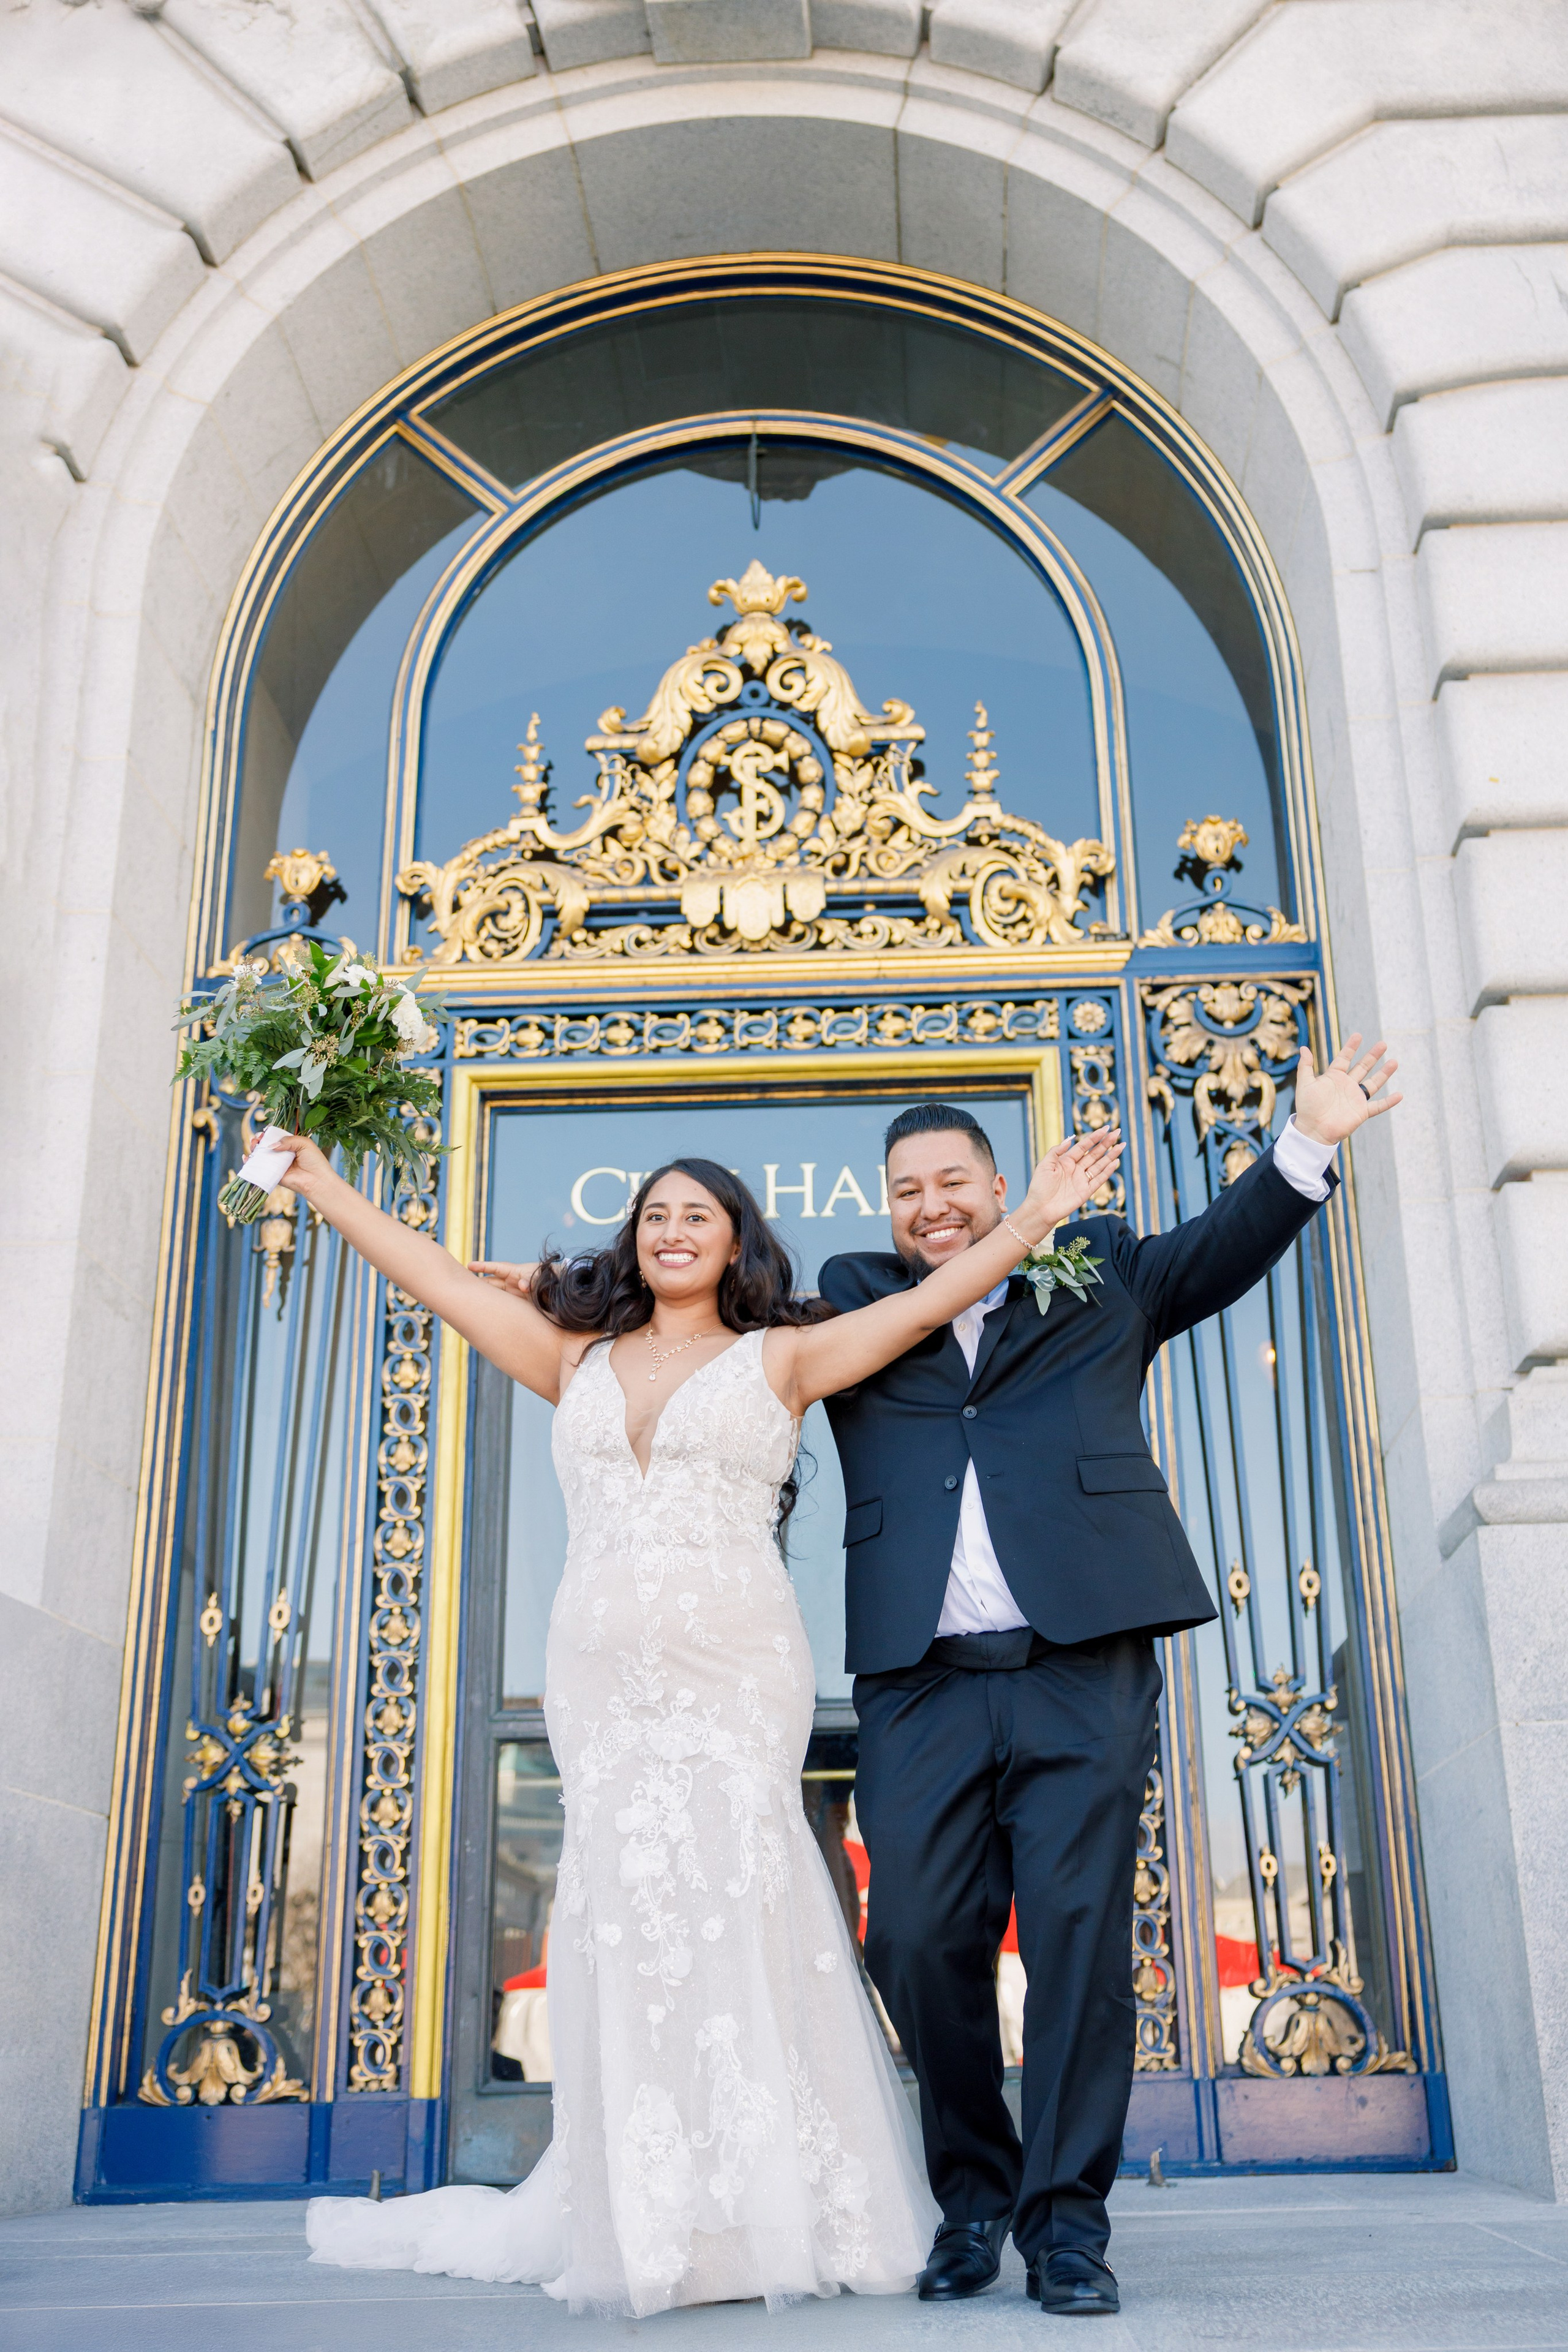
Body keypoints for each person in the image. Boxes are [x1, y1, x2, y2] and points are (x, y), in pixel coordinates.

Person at [282, 1121, 1124, 2316]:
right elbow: (425, 1273)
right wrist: (321, 1183)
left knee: (735, 1899)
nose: (671, 1231)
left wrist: (1030, 1218)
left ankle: (772, 2203)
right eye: (655, 1215)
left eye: (697, 1216)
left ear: (735, 1245)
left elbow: (931, 1299)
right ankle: (647, 2204)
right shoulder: (568, 1360)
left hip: (733, 1671)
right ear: (635, 1241)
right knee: (625, 1915)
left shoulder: (781, 1359)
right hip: (600, 1679)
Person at [815, 1032, 1401, 2317]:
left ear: (993, 1179)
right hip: (916, 1678)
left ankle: (1063, 2226)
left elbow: (1221, 1248)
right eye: (906, 1188)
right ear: (885, 1206)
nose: (930, 1206)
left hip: (1080, 1663)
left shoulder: (1100, 1273)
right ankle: (970, 2199)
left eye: (953, 1182)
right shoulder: (854, 1294)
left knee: (1077, 1940)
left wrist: (1304, 1141)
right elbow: (704, 1306)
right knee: (912, 1935)